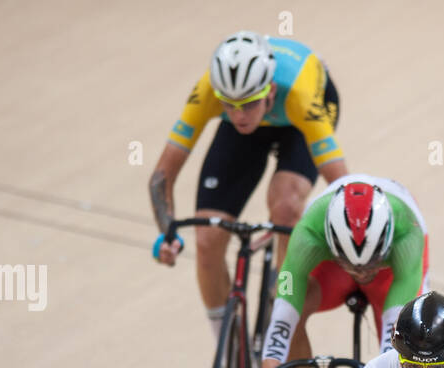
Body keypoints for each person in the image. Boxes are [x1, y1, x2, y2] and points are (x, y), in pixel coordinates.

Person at [148, 31, 348, 343]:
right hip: (252, 127)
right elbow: (162, 176)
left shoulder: (300, 96)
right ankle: (227, 348)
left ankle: (282, 302)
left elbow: (342, 184)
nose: (239, 115)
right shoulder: (210, 92)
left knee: (285, 206)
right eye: (229, 105)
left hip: (299, 120)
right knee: (206, 239)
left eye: (248, 104)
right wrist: (167, 232)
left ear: (268, 90)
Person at [244, 175, 429, 368]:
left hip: (391, 275)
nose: (361, 271)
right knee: (292, 308)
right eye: (353, 263)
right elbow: (281, 323)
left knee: (411, 343)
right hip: (332, 270)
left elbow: (393, 338)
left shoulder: (407, 234)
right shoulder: (307, 234)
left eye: (369, 262)